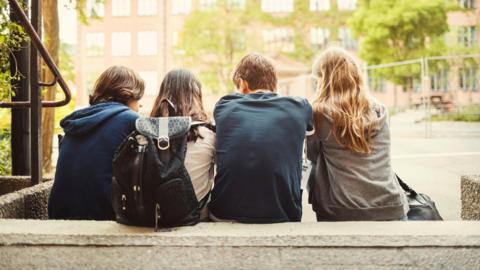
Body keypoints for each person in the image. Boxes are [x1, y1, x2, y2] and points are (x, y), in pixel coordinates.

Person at [208, 53, 314, 223]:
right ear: (275, 83)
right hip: (283, 213)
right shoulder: (300, 107)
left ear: (242, 84)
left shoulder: (223, 106)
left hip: (226, 212)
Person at [307, 47, 409, 221]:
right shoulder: (379, 110)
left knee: (318, 166)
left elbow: (312, 154)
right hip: (391, 206)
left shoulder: (318, 114)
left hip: (340, 210)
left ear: (324, 81)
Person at [48, 65, 145, 220]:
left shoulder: (77, 119)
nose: (140, 105)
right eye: (139, 99)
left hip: (58, 214)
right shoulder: (130, 120)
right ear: (129, 95)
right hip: (102, 216)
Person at [150, 69, 215, 221]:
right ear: (195, 96)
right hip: (196, 217)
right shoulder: (208, 136)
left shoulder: (146, 136)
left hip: (154, 216)